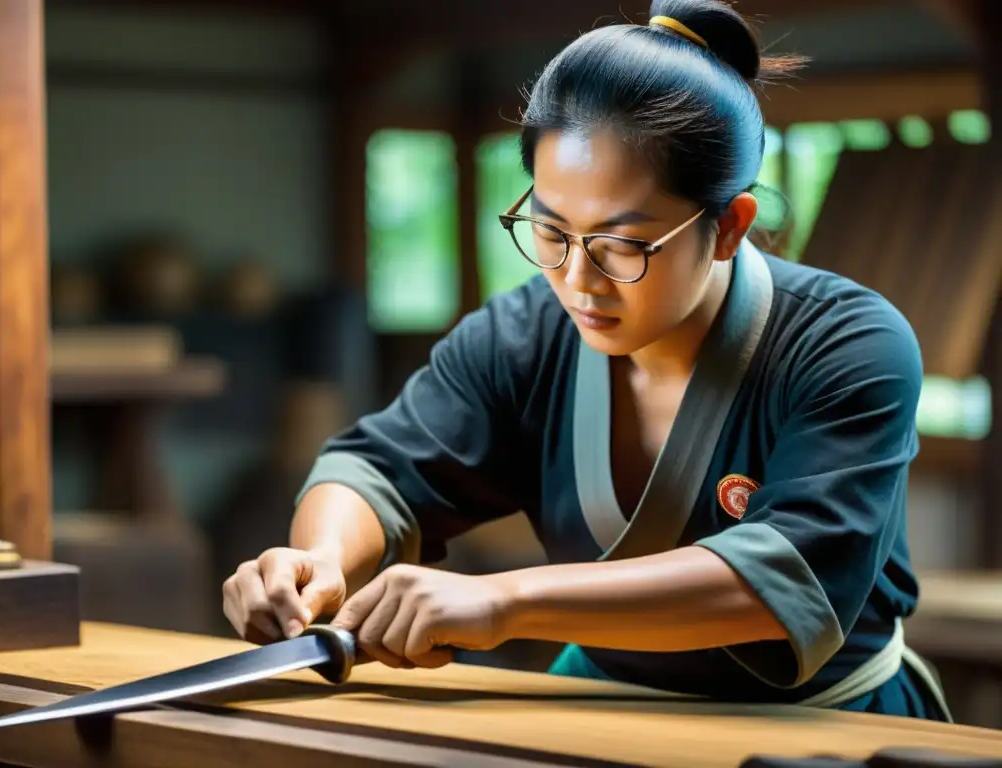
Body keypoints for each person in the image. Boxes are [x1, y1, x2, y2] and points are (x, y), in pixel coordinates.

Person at [222, 0, 951, 721]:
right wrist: (318, 561)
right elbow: (378, 468)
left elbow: (789, 577)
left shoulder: (848, 345)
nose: (578, 279)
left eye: (622, 244)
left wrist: (503, 601)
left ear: (729, 226)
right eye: (550, 230)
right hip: (598, 703)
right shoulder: (522, 336)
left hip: (830, 722)